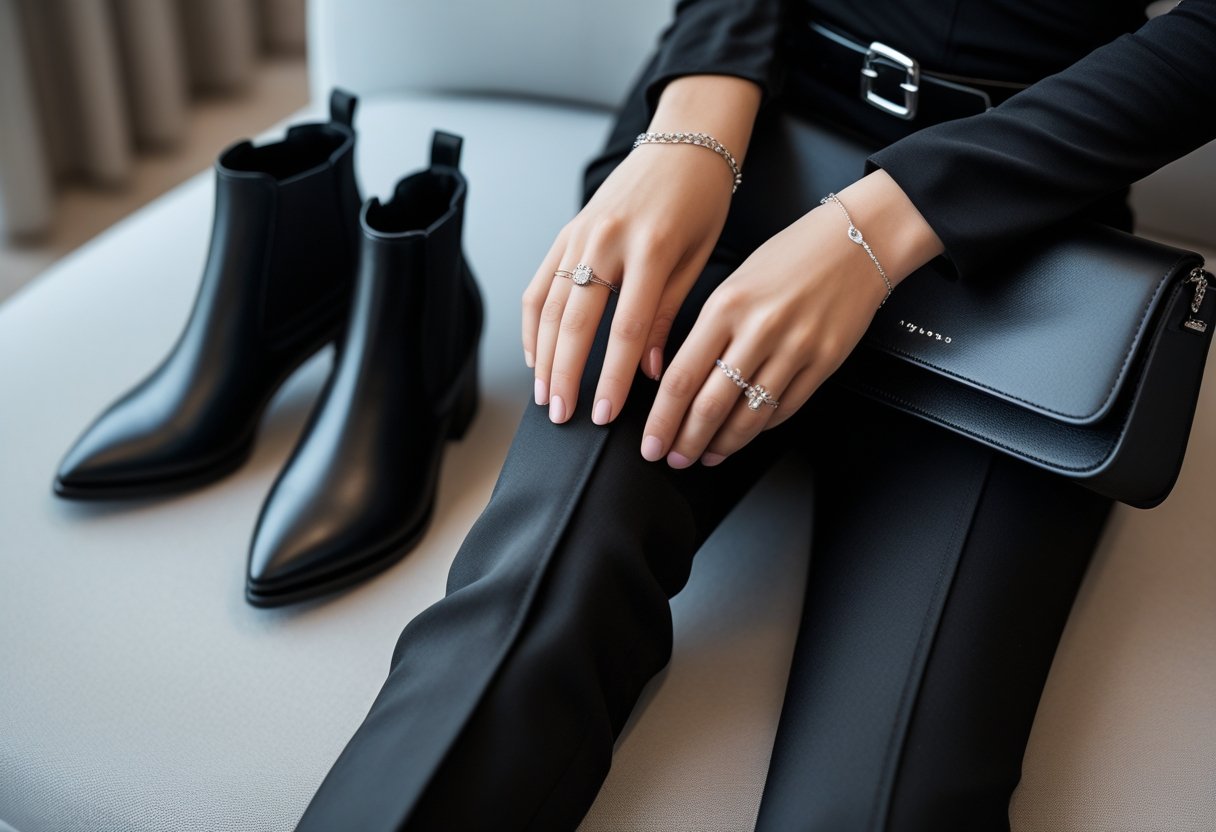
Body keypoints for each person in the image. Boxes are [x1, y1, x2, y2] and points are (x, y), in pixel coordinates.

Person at [295, 1, 1216, 829]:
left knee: (881, 791)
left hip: (1028, 219)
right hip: (739, 141)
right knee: (522, 619)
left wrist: (880, 229)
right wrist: (695, 122)